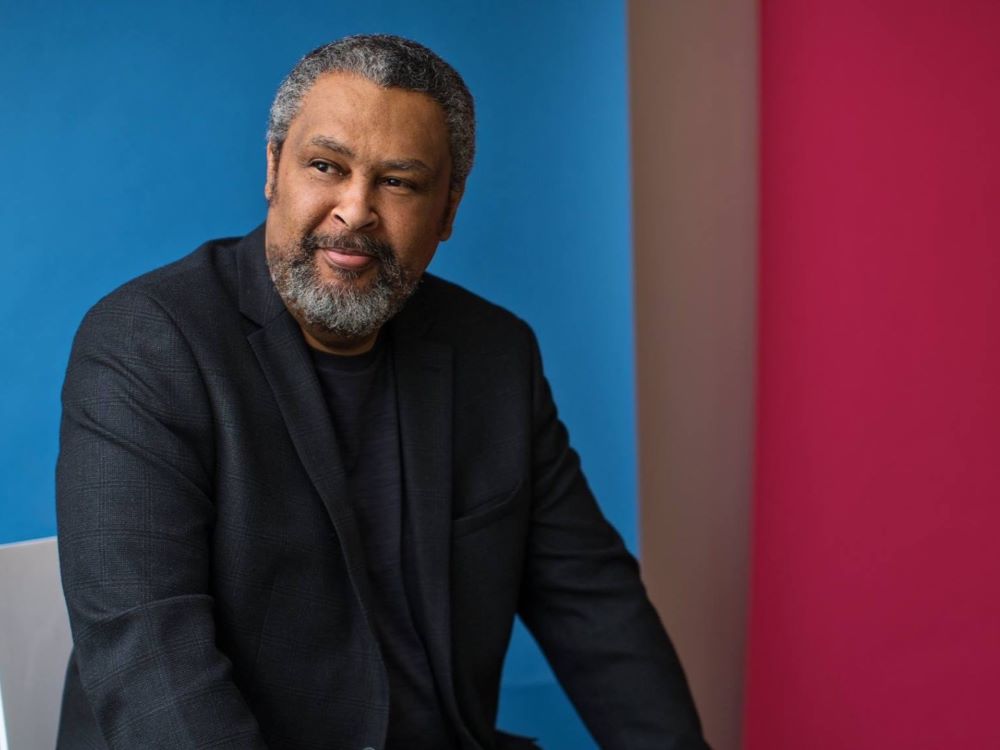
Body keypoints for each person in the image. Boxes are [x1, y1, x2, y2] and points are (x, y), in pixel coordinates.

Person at [55, 34, 709, 750]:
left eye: (399, 182)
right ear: (273, 169)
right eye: (326, 166)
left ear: (449, 209)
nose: (356, 209)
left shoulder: (493, 355)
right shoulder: (146, 346)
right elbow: (153, 670)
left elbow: (596, 610)